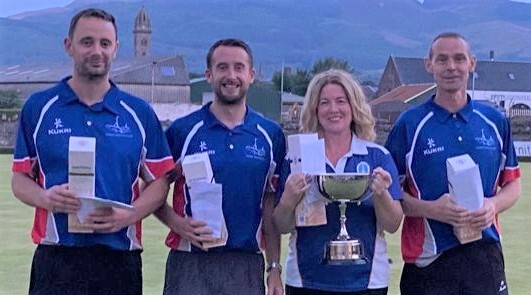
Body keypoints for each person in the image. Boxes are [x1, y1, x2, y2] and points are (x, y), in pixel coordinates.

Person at [11, 8, 174, 294]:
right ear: (69, 46)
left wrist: (130, 215)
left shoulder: (138, 113)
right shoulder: (39, 108)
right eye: (87, 42)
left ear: (116, 48)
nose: (96, 51)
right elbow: (20, 179)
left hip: (119, 259)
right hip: (56, 258)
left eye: (105, 43)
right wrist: (45, 198)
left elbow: (159, 182)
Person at [385, 32, 522, 295]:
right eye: (442, 59)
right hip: (428, 261)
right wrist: (431, 209)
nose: (451, 67)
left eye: (459, 59)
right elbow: (390, 196)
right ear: (429, 65)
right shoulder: (409, 124)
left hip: (485, 255)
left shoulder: (494, 121)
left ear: (472, 63)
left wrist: (492, 205)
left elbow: (512, 184)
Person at [155, 38, 285, 295]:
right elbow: (152, 186)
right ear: (209, 75)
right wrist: (176, 222)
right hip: (190, 263)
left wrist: (274, 267)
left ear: (251, 75)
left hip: (245, 263)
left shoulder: (270, 134)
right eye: (222, 67)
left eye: (239, 67)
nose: (231, 75)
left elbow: (270, 203)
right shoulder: (183, 130)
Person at [273, 69, 403, 295]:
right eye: (325, 103)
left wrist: (381, 193)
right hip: (306, 280)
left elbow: (392, 225)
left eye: (341, 101)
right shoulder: (297, 157)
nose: (333, 109)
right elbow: (282, 226)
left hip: (367, 281)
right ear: (315, 109)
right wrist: (288, 199)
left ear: (354, 107)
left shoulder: (376, 156)